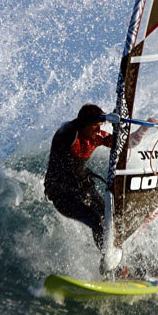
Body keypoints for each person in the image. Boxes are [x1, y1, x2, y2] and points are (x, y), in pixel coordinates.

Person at [44, 104, 112, 250]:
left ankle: (134, 263)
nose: (99, 129)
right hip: (63, 195)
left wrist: (143, 129)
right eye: (95, 125)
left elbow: (128, 144)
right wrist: (102, 117)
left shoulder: (97, 136)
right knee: (96, 221)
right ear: (86, 122)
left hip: (85, 190)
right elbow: (72, 125)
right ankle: (109, 265)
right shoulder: (67, 134)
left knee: (112, 220)